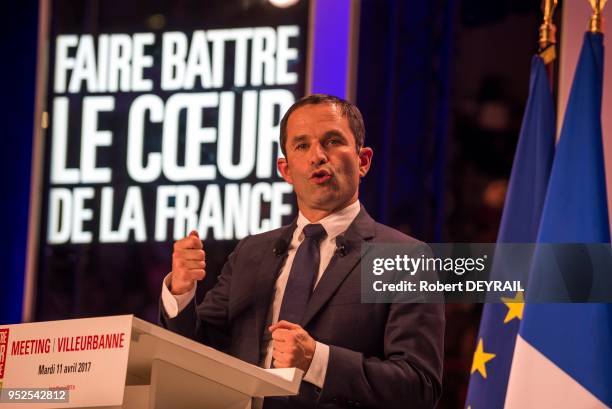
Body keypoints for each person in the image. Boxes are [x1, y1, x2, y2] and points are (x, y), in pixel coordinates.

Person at [160, 94, 444, 409]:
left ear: (363, 161)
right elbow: (195, 354)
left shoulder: (404, 257)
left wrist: (318, 361)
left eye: (333, 141)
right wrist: (182, 293)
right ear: (285, 169)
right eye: (302, 146)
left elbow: (420, 386)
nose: (317, 156)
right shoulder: (250, 253)